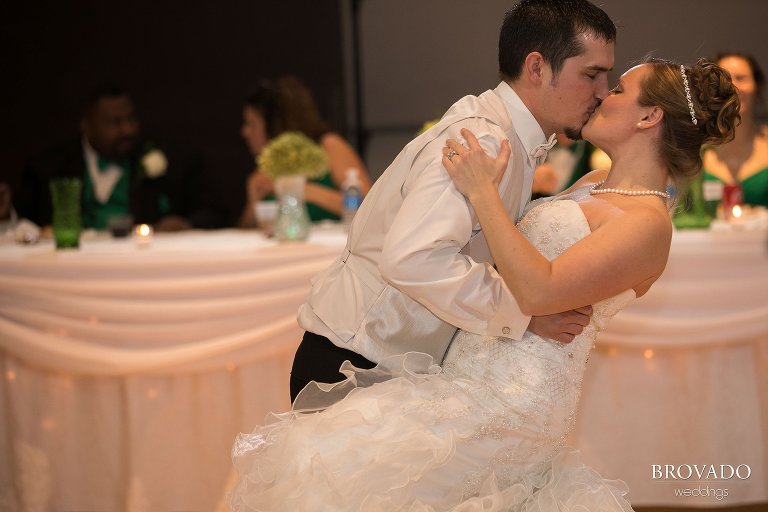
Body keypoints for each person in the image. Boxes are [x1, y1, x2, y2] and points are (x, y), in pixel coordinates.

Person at [229, 57, 739, 512]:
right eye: (599, 79)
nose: (605, 94)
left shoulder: (648, 223)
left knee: (342, 470)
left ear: (650, 118)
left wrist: (481, 192)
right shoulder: (590, 185)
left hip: (515, 401)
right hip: (466, 374)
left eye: (621, 90)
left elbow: (539, 290)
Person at [289, 0, 615, 402]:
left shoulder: (509, 135)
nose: (603, 93)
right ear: (537, 67)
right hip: (354, 362)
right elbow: (413, 258)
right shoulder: (484, 140)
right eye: (592, 75)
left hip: (382, 359)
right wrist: (524, 313)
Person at [16, 84, 219, 232]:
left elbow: (212, 211)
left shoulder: (171, 160)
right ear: (87, 127)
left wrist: (187, 224)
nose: (127, 130)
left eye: (130, 119)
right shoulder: (49, 167)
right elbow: (24, 223)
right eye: (114, 122)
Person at [238, 76, 372, 227]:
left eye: (252, 124)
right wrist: (253, 200)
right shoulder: (269, 162)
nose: (245, 132)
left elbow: (368, 207)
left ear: (275, 124)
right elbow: (245, 229)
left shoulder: (329, 145)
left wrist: (295, 187)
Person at [702, 52, 768, 207]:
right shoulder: (694, 148)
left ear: (757, 86)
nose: (733, 87)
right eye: (724, 79)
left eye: (741, 78)